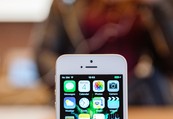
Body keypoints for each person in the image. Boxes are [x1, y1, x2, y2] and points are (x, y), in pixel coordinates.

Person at [34, 0, 173, 105]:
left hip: (140, 94)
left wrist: (160, 9)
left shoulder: (149, 6)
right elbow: (44, 52)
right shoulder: (66, 4)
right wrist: (69, 82)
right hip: (82, 91)